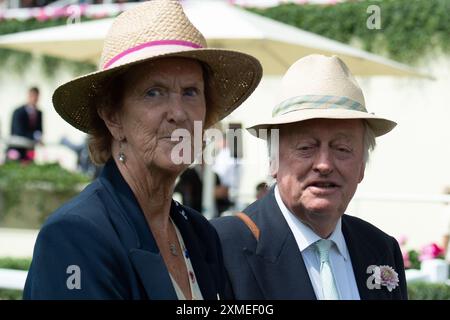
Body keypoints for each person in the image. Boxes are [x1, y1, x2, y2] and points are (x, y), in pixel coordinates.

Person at [24, 0, 262, 300]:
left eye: (191, 92)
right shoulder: (76, 235)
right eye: (154, 93)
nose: (178, 112)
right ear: (112, 116)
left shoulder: (200, 234)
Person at [212, 54, 407, 300]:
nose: (324, 164)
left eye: (342, 149)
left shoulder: (379, 248)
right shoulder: (224, 245)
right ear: (273, 161)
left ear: (361, 167)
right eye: (306, 147)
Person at [8, 87, 43, 162]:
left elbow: (40, 129)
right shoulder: (18, 112)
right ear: (28, 96)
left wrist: (39, 137)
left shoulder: (39, 113)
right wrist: (34, 136)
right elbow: (18, 131)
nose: (34, 99)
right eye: (32, 96)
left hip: (30, 149)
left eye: (36, 96)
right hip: (16, 148)